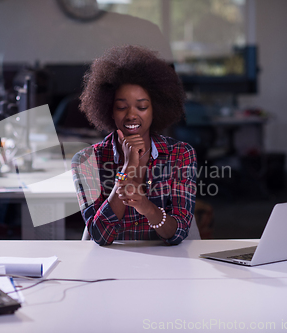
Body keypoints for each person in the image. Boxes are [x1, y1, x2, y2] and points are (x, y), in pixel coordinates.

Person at [72, 45, 197, 246]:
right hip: (108, 267)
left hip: (168, 266)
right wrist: (128, 166)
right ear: (109, 110)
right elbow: (100, 236)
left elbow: (179, 231)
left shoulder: (180, 154)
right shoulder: (86, 160)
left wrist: (147, 207)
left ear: (156, 109)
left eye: (142, 107)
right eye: (122, 107)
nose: (131, 115)